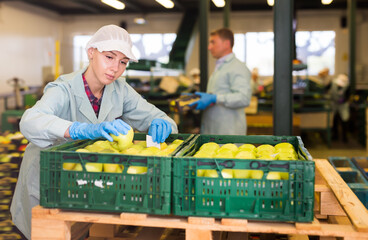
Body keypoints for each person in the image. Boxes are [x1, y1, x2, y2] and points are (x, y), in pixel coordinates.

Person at [10, 24, 178, 239]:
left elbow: (159, 117)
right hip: (47, 188)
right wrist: (79, 129)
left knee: (78, 233)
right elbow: (30, 121)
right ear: (91, 53)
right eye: (109, 57)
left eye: (123, 62)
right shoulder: (64, 88)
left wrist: (162, 124)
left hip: (84, 190)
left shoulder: (120, 89)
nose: (115, 68)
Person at [190, 28, 251, 135]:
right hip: (215, 131)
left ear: (227, 44)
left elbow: (243, 98)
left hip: (229, 133)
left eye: (213, 42)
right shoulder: (221, 66)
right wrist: (203, 100)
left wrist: (215, 98)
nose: (209, 47)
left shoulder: (237, 67)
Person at [325, 73, 350, 142]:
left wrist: (344, 100)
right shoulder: (333, 83)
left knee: (344, 120)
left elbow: (348, 95)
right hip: (334, 104)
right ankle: (335, 136)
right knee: (334, 120)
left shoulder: (347, 85)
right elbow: (325, 89)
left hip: (343, 105)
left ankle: (345, 137)